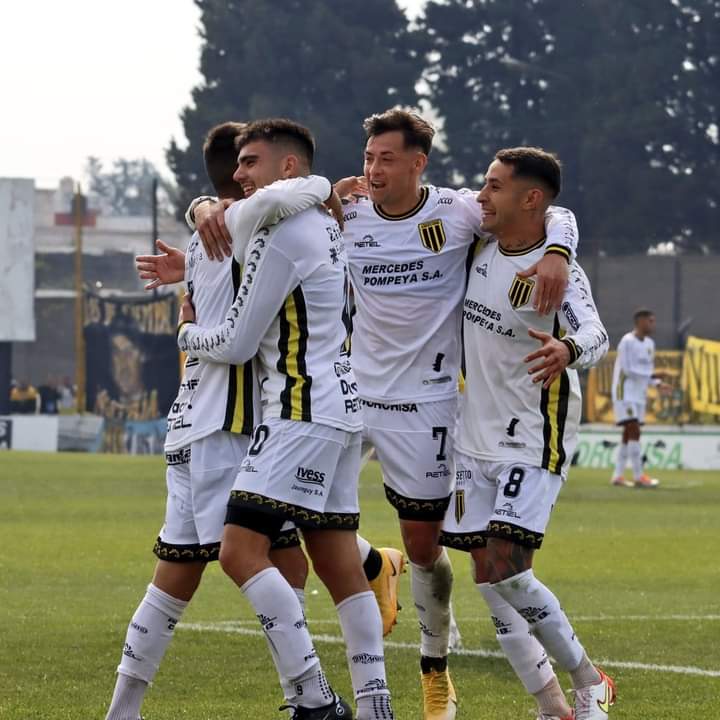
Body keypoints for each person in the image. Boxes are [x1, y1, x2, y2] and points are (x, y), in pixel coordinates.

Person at [189, 108, 580, 720]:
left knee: (426, 548)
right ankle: (372, 574)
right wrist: (203, 209)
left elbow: (547, 210)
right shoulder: (344, 211)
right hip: (347, 394)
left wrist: (557, 250)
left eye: (386, 159)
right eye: (368, 157)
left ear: (418, 164)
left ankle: (435, 667)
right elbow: (254, 213)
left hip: (425, 406)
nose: (372, 169)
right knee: (285, 515)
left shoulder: (457, 213)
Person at [104, 121, 334, 720]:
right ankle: (312, 696)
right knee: (276, 559)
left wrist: (198, 217)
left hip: (188, 423)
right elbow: (294, 198)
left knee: (173, 580)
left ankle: (122, 710)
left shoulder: (208, 232)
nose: (247, 172)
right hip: (229, 427)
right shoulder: (246, 231)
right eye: (246, 161)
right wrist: (325, 187)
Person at [178, 118, 394, 720]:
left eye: (250, 162)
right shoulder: (323, 221)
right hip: (341, 408)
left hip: (299, 410)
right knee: (339, 563)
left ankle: (315, 698)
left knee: (238, 551)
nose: (238, 174)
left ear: (288, 167)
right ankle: (375, 705)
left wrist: (187, 330)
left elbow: (236, 342)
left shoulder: (283, 232)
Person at [441, 147, 613, 720]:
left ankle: (590, 681)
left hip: (534, 436)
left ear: (530, 198)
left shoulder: (558, 269)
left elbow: (597, 334)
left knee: (508, 567)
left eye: (494, 186)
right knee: (489, 579)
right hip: (473, 439)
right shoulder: (479, 247)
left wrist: (567, 348)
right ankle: (552, 706)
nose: (482, 196)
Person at [610, 309, 671, 488]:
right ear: (640, 322)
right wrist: (654, 374)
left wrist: (658, 383)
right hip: (624, 392)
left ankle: (618, 476)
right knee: (634, 430)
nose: (653, 324)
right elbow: (628, 370)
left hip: (639, 394)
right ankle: (639, 476)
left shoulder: (650, 344)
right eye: (650, 321)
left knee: (628, 433)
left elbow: (646, 371)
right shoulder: (627, 341)